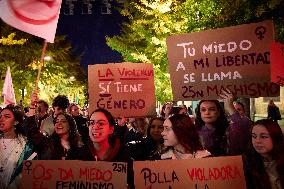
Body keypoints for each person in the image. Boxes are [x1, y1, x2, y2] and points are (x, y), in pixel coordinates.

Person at [84, 108, 134, 188]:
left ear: (111, 129)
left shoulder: (124, 156)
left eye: (101, 123)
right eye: (91, 123)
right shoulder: (77, 154)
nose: (95, 127)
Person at [0, 106, 35, 189]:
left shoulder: (26, 146)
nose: (1, 119)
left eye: (7, 117)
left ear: (16, 121)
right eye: (0, 116)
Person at [243, 119, 284, 189]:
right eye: (254, 136)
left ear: (275, 138)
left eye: (264, 136)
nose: (257, 141)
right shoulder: (247, 164)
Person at [220, 89, 252, 155]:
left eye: (239, 110)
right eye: (233, 109)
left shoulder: (247, 122)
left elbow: (240, 125)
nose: (235, 112)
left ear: (244, 112)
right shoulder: (225, 125)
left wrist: (230, 107)